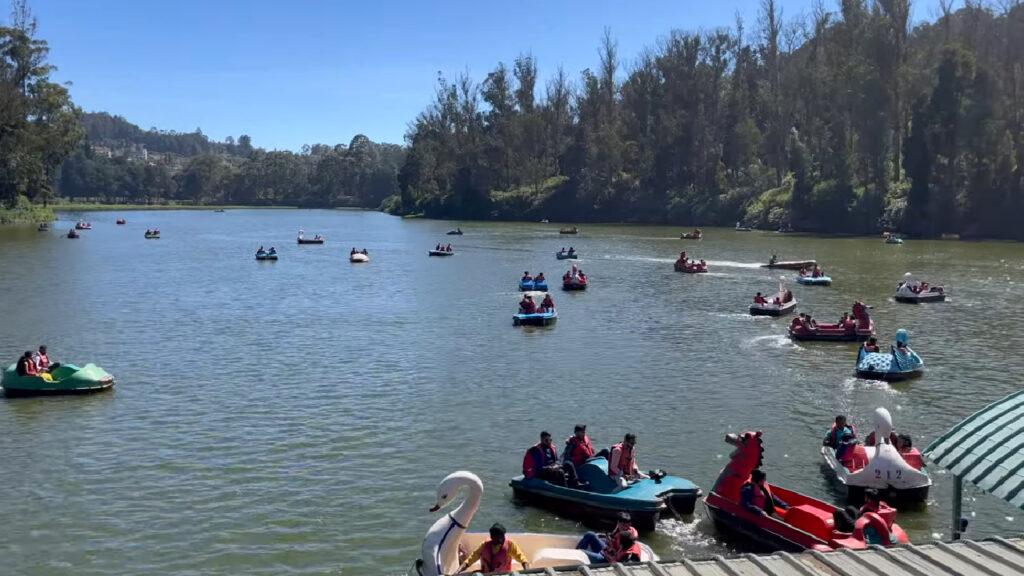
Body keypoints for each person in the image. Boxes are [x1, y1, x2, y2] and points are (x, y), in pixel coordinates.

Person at [455, 523, 530, 574]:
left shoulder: (510, 545)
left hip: (503, 574)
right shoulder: (484, 545)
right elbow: (470, 560)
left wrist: (528, 572)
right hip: (486, 574)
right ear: (492, 537)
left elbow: (524, 560)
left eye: (502, 538)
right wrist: (457, 572)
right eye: (497, 539)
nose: (501, 540)